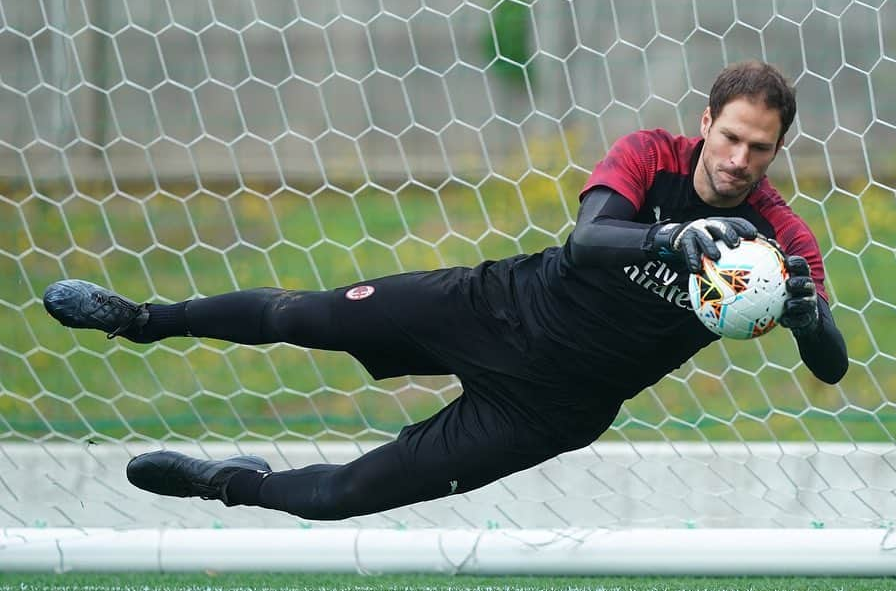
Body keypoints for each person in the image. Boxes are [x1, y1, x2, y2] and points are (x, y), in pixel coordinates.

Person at [43, 60, 848, 521]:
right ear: (705, 121)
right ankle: (141, 321)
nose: (740, 158)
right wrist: (668, 238)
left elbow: (834, 366)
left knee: (345, 495)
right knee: (303, 314)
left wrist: (809, 320)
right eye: (732, 135)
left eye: (761, 148)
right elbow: (590, 240)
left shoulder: (778, 243)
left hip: (548, 409)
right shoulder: (650, 154)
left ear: (778, 152)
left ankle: (225, 482)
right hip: (491, 307)